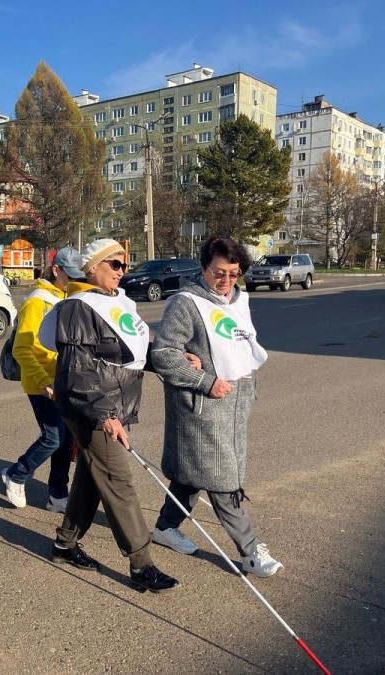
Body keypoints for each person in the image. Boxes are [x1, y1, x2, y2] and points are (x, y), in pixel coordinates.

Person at [41, 239, 179, 593]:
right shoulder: (78, 307)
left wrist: (178, 360)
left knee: (92, 476)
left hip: (113, 405)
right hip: (92, 407)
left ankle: (65, 543)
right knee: (119, 482)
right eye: (115, 264)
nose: (122, 271)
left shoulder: (119, 302)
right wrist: (104, 415)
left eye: (125, 266)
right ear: (92, 268)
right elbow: (77, 370)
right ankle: (141, 564)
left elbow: (134, 352)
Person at [149, 235, 283, 578]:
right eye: (218, 273)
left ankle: (165, 527)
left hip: (236, 403)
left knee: (193, 473)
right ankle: (251, 552)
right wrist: (205, 381)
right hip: (202, 405)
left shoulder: (239, 299)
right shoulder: (185, 303)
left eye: (234, 273)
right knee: (222, 478)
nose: (226, 281)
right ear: (203, 267)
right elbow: (164, 354)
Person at [0, 247, 84, 512]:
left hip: (63, 380)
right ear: (56, 270)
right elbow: (21, 349)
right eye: (69, 275)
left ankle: (58, 494)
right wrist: (44, 380)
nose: (73, 280)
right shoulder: (37, 300)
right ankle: (17, 473)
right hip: (41, 382)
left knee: (66, 439)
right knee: (53, 437)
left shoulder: (65, 296)